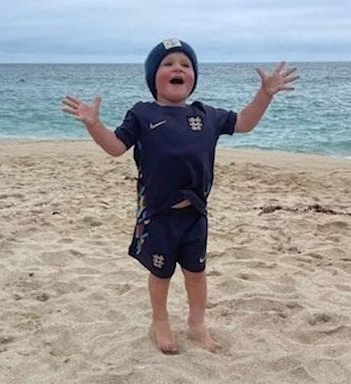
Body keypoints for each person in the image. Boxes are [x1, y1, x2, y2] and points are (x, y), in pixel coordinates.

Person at [62, 38, 299, 354]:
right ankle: (159, 321)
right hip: (159, 215)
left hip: (195, 215)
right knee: (160, 274)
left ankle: (197, 322)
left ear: (194, 77)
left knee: (196, 274)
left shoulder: (207, 115)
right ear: (153, 77)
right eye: (168, 64)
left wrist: (265, 94)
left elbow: (244, 123)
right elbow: (116, 147)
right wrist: (94, 125)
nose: (178, 69)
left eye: (185, 65)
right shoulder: (142, 114)